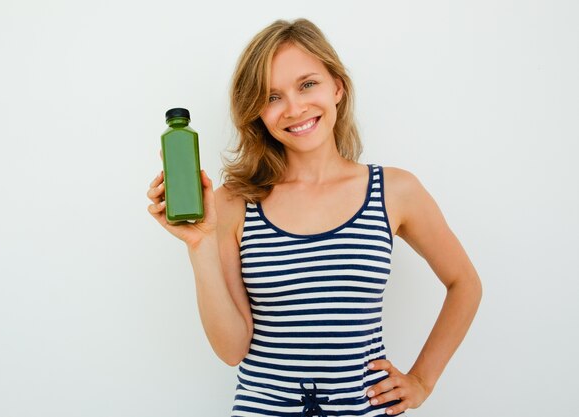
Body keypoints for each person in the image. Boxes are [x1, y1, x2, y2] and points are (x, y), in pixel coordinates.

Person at [147, 18, 482, 417]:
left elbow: (465, 283)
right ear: (257, 112)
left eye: (307, 84)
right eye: (272, 97)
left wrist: (422, 380)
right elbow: (232, 349)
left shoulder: (395, 191)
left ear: (337, 86)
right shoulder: (234, 204)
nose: (295, 108)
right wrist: (200, 245)